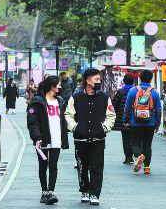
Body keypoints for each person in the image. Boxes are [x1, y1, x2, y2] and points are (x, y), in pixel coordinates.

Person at [65, 68, 115, 206]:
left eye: (99, 79)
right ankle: (85, 191)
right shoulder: (76, 97)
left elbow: (111, 115)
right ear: (88, 80)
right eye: (96, 79)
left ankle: (94, 194)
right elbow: (68, 115)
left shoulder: (105, 97)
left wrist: (104, 128)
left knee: (97, 167)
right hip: (80, 139)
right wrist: (75, 128)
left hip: (98, 139)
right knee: (82, 167)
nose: (99, 82)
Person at [27, 75, 69, 205]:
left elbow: (64, 119)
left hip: (57, 138)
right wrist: (37, 137)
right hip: (43, 139)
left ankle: (51, 192)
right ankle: (44, 192)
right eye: (59, 84)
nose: (60, 86)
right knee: (43, 165)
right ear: (52, 86)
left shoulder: (60, 101)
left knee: (53, 166)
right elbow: (32, 122)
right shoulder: (37, 102)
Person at [124, 69, 162, 175]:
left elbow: (127, 107)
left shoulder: (133, 91)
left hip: (135, 122)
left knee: (135, 142)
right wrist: (157, 124)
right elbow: (158, 109)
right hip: (150, 123)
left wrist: (125, 120)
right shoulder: (154, 92)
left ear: (140, 78)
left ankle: (139, 154)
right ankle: (147, 167)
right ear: (150, 79)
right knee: (147, 145)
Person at [111, 74, 135, 164]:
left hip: (123, 119)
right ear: (133, 81)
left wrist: (117, 114)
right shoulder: (136, 91)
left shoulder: (121, 92)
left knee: (125, 139)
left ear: (124, 81)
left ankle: (128, 157)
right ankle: (135, 155)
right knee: (135, 138)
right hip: (136, 119)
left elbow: (114, 104)